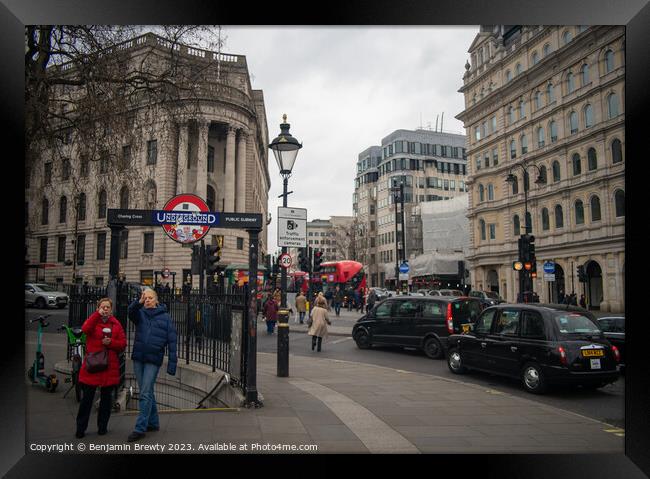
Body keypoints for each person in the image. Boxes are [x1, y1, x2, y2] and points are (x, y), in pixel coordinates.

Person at [127, 288, 177, 442]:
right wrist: (138, 302)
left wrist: (172, 364)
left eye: (150, 298)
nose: (147, 300)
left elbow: (172, 342)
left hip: (153, 360)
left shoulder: (166, 318)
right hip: (138, 357)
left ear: (156, 300)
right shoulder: (140, 313)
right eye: (145, 298)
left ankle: (140, 428)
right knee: (145, 391)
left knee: (145, 393)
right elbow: (130, 312)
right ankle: (154, 422)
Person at [75, 298, 126, 439]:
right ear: (98, 308)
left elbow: (122, 343)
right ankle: (80, 428)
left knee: (106, 401)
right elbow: (85, 329)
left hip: (109, 366)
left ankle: (102, 427)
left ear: (111, 309)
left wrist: (111, 343)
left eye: (108, 307)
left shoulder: (115, 324)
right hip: (93, 365)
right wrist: (96, 315)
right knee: (87, 400)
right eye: (102, 307)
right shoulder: (93, 321)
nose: (105, 309)